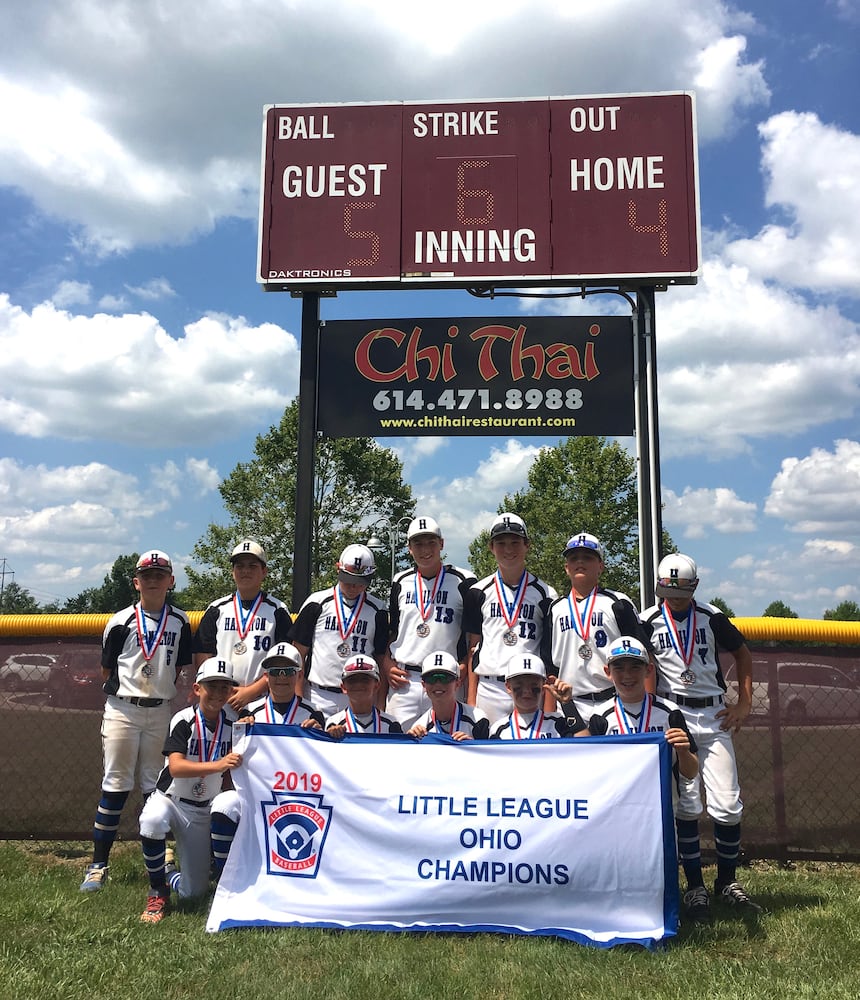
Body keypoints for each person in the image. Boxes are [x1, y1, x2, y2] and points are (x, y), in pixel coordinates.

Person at [641, 553, 762, 921]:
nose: (674, 597)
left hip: (712, 714)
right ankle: (695, 887)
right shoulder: (647, 619)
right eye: (667, 589)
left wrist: (743, 702)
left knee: (727, 804)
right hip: (673, 712)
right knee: (687, 804)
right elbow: (643, 664)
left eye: (681, 590)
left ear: (695, 586)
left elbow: (742, 653)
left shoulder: (711, 616)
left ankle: (727, 881)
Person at [80, 549, 193, 892]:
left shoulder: (181, 621)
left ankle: (158, 858)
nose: (154, 580)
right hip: (123, 708)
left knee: (154, 787)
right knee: (115, 784)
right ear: (137, 582)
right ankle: (98, 864)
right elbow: (107, 668)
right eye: (147, 575)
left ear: (171, 581)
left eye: (160, 575)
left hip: (160, 710)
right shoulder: (120, 620)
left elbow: (180, 667)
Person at [138, 656, 243, 924]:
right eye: (211, 686)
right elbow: (176, 767)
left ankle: (169, 871)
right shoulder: (183, 719)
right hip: (172, 800)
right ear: (197, 689)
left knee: (192, 893)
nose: (218, 693)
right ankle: (157, 890)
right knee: (151, 821)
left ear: (232, 692)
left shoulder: (233, 728)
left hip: (203, 808)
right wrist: (217, 764)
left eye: (224, 688)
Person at [209, 642, 324, 879]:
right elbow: (236, 760)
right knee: (224, 804)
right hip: (257, 793)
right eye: (274, 672)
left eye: (288, 671)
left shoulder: (313, 713)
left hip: (299, 794)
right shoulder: (249, 712)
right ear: (265, 676)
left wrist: (320, 733)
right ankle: (224, 879)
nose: (281, 678)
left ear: (299, 675)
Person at [383, 516, 476, 729]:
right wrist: (387, 666)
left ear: (441, 544)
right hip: (406, 679)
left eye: (431, 543)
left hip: (448, 679)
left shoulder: (465, 580)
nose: (425, 550)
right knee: (399, 745)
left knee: (450, 746)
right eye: (418, 543)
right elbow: (393, 632)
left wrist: (465, 673)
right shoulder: (400, 581)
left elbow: (472, 637)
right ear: (409, 548)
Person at [464, 513, 558, 724]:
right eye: (501, 543)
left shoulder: (546, 594)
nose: (508, 549)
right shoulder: (477, 592)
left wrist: (550, 708)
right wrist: (471, 700)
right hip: (490, 688)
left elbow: (550, 654)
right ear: (491, 547)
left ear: (527, 545)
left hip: (530, 688)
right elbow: (473, 649)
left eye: (515, 542)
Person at [542, 532, 647, 719]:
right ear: (567, 567)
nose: (580, 562)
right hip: (569, 702)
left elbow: (644, 656)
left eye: (588, 557)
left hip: (614, 700)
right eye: (574, 558)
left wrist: (649, 702)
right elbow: (549, 667)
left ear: (600, 566)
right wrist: (550, 714)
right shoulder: (555, 608)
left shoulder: (618, 603)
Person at [193, 539, 292, 715]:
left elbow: (284, 659)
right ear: (232, 572)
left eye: (252, 566)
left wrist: (251, 691)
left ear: (264, 571)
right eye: (240, 566)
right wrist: (218, 689)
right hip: (222, 698)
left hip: (263, 699)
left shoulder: (278, 610)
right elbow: (203, 653)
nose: (245, 571)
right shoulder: (217, 609)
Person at [291, 544, 388, 719]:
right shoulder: (317, 602)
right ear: (338, 569)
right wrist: (298, 699)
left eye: (359, 583)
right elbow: (298, 653)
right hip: (318, 695)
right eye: (347, 579)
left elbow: (381, 659)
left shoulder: (378, 609)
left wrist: (380, 703)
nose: (353, 587)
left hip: (361, 697)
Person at [587, 636, 699, 785]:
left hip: (662, 803)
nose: (627, 675)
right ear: (608, 672)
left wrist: (683, 751)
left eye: (635, 667)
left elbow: (691, 773)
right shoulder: (600, 716)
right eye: (619, 668)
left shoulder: (669, 711)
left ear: (649, 670)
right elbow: (592, 769)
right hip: (617, 802)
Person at [489, 653, 587, 740]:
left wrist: (567, 704)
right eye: (520, 685)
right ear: (508, 687)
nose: (527, 691)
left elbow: (585, 748)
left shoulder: (557, 722)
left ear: (544, 687)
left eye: (534, 685)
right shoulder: (498, 729)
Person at [408, 650, 490, 741]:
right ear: (423, 685)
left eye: (445, 678)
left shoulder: (478, 719)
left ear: (458, 683)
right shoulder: (420, 728)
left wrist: (472, 746)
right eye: (431, 678)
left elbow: (490, 753)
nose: (438, 684)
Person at [325, 654, 402, 737]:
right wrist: (332, 735)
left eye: (365, 680)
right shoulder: (334, 724)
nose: (358, 684)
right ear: (343, 687)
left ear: (377, 686)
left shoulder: (391, 724)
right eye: (352, 680)